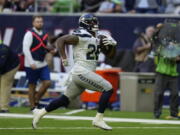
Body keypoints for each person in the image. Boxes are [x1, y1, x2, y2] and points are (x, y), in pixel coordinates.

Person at [32, 13, 117, 130]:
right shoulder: (82, 35)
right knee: (108, 88)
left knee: (64, 99)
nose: (95, 24)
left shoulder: (97, 37)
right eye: (92, 22)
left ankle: (40, 112)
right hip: (81, 71)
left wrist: (112, 46)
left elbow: (110, 56)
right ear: (85, 24)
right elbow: (61, 40)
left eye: (95, 22)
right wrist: (64, 58)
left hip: (84, 73)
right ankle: (98, 119)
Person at [23, 15, 52, 111]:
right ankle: (32, 106)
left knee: (47, 83)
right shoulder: (29, 34)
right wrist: (31, 62)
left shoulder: (44, 34)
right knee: (32, 85)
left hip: (42, 63)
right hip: (31, 64)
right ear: (33, 23)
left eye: (41, 21)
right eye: (37, 21)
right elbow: (25, 49)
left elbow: (44, 46)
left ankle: (36, 99)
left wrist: (51, 50)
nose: (39, 23)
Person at [153, 21, 180, 119]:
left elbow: (177, 58)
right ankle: (157, 113)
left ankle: (174, 114)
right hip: (161, 72)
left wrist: (175, 56)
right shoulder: (160, 46)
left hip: (173, 74)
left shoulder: (177, 46)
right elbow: (170, 56)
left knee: (175, 94)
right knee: (159, 93)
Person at [0, 42, 20, 112]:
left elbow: (1, 64)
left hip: (11, 67)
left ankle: (4, 108)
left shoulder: (3, 50)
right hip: (4, 67)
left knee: (5, 86)